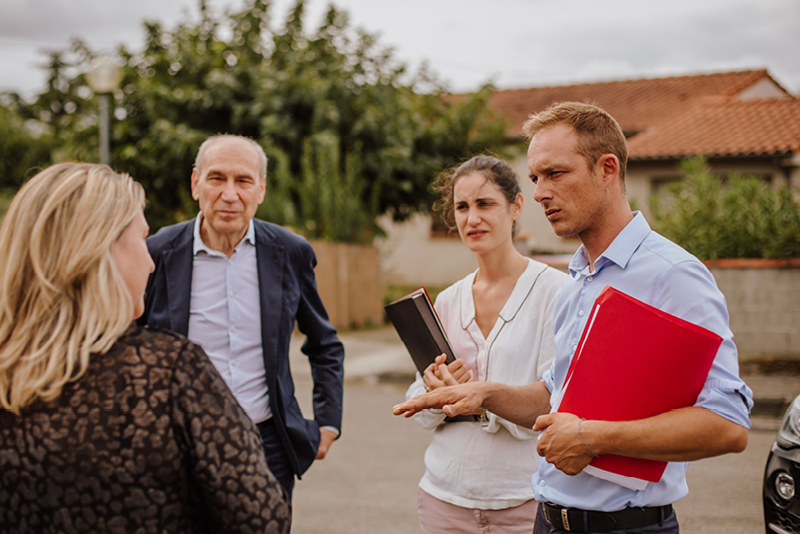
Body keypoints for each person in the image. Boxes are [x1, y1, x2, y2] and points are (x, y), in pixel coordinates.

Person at [394, 102, 753, 534]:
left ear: (607, 169)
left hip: (625, 526)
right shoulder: (579, 277)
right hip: (549, 520)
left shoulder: (673, 274)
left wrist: (591, 438)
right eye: (535, 178)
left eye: (556, 173)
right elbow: (556, 399)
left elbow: (728, 425)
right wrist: (483, 394)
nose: (542, 192)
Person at [0, 162, 290, 534]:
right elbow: (262, 520)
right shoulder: (169, 372)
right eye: (140, 240)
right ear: (100, 253)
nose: (150, 262)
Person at [139, 134, 344, 501]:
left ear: (261, 190)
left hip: (267, 444)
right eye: (217, 178)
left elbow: (324, 343)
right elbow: (127, 346)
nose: (230, 194)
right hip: (178, 444)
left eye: (243, 180)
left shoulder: (290, 252)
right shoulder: (157, 252)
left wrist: (328, 423)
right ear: (195, 183)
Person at [404, 155, 565, 533]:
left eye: (484, 204)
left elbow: (552, 404)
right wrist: (437, 390)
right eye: (462, 207)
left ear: (516, 207)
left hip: (526, 501)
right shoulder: (446, 300)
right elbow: (422, 409)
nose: (471, 219)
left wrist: (478, 397)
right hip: (444, 499)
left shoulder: (556, 293)